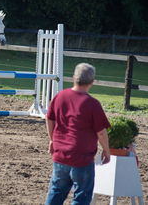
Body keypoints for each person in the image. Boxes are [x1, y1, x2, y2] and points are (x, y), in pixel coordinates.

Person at [45, 63, 111, 205]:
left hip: (60, 154)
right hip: (82, 158)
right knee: (81, 196)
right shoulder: (93, 104)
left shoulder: (60, 96)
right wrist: (106, 150)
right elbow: (101, 132)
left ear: (74, 78)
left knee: (56, 191)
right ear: (92, 82)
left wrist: (52, 140)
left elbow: (49, 118)